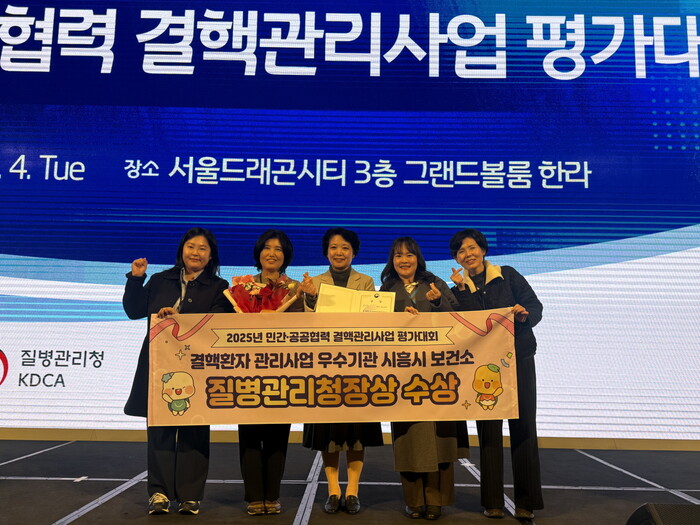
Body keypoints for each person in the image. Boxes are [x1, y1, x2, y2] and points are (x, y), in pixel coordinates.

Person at [122, 227, 233, 515]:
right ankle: (158, 493)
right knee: (159, 430)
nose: (196, 253)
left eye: (203, 248)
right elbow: (134, 310)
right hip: (159, 366)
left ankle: (190, 496)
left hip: (198, 368)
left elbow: (220, 322)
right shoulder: (161, 280)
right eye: (191, 246)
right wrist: (136, 278)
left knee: (194, 431)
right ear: (182, 250)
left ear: (211, 256)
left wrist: (181, 319)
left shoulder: (219, 286)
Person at [448, 228, 543, 520]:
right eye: (461, 251)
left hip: (518, 360)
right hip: (483, 367)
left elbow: (535, 307)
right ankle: (492, 501)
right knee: (488, 432)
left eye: (472, 248)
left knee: (524, 428)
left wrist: (525, 314)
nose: (468, 254)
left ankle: (526, 502)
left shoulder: (508, 275)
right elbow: (468, 325)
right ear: (456, 259)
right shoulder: (458, 289)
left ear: (483, 249)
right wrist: (462, 292)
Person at [379, 236, 468, 521]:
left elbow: (458, 320)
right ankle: (414, 500)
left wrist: (438, 302)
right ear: (392, 261)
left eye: (409, 254)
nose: (404, 260)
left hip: (437, 374)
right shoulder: (386, 290)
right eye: (398, 255)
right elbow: (376, 328)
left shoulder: (435, 284)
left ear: (418, 258)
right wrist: (398, 319)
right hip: (404, 376)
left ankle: (436, 500)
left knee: (439, 440)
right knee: (409, 438)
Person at [297, 227, 384, 515]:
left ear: (353, 252)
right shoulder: (313, 282)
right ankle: (333, 490)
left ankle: (353, 490)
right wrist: (310, 299)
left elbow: (373, 321)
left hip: (358, 366)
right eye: (334, 247)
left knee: (357, 431)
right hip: (325, 366)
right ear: (326, 252)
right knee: (329, 432)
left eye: (345, 247)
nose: (339, 252)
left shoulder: (366, 282)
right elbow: (307, 324)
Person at [238, 229, 303, 516]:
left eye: (278, 249)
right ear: (259, 253)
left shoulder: (296, 288)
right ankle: (254, 496)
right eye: (267, 248)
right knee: (250, 434)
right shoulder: (242, 286)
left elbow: (305, 326)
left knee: (278, 435)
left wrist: (306, 299)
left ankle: (272, 495)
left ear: (285, 256)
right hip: (248, 371)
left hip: (283, 370)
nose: (272, 253)